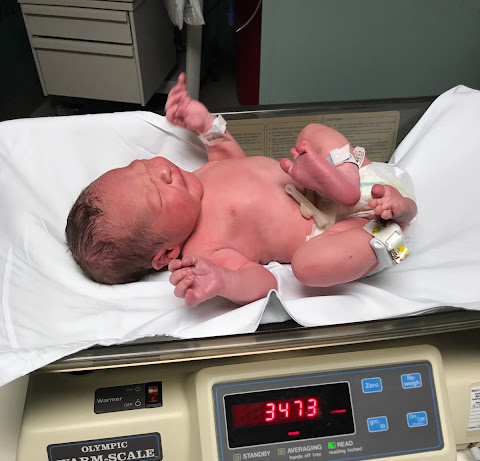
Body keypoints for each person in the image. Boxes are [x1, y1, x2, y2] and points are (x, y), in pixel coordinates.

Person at [66, 73, 417, 307]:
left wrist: (205, 123)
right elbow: (264, 282)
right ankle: (396, 226)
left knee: (312, 133)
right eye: (158, 193)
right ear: (166, 253)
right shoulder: (204, 250)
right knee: (308, 268)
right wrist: (223, 281)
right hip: (348, 231)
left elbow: (228, 154)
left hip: (358, 175)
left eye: (142, 166)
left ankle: (345, 185)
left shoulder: (199, 177)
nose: (162, 170)